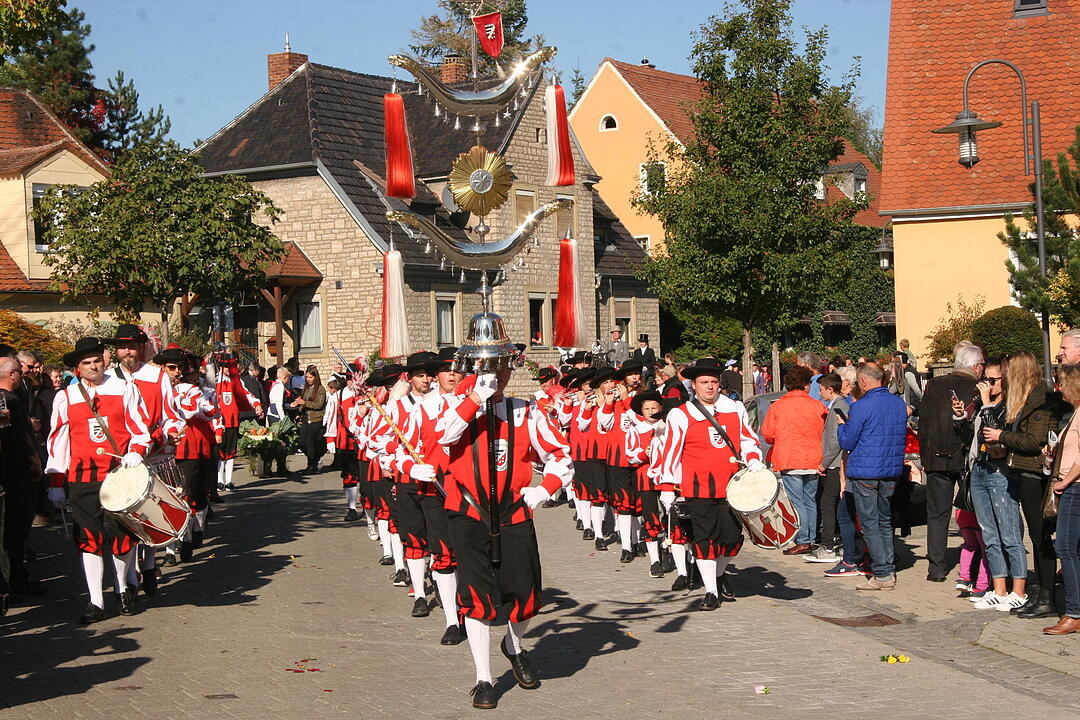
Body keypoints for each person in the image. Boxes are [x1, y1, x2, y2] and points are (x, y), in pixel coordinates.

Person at [435, 334, 573, 710]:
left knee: (524, 593)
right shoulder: (454, 405)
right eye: (486, 366)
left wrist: (544, 489)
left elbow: (561, 455)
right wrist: (475, 399)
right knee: (477, 596)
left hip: (513, 512)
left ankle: (513, 644)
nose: (495, 374)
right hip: (469, 512)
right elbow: (445, 436)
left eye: (501, 366)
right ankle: (483, 677)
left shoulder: (526, 412)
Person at [45, 337, 152, 623]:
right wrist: (56, 483)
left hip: (119, 476)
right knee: (89, 538)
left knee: (122, 536)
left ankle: (122, 589)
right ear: (77, 368)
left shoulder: (124, 388)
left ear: (104, 360)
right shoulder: (65, 397)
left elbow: (141, 429)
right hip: (83, 477)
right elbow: (58, 442)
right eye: (86, 363)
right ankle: (96, 601)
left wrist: (137, 452)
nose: (93, 366)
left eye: (97, 360)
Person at [657, 357, 765, 610]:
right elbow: (671, 452)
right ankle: (711, 592)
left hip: (732, 485)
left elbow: (748, 439)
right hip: (697, 486)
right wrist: (667, 488)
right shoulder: (680, 414)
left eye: (714, 382)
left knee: (730, 539)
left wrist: (752, 458)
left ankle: (718, 574)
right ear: (694, 385)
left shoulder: (734, 408)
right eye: (704, 382)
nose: (709, 387)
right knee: (704, 539)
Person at [391, 348, 466, 645]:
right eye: (446, 370)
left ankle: (472, 603)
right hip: (435, 489)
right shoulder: (421, 410)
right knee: (444, 552)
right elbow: (398, 450)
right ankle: (452, 619)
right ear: (438, 375)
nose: (452, 375)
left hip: (470, 489)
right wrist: (412, 466)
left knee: (471, 551)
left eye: (456, 370)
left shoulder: (475, 404)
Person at [990, 351, 1064, 618]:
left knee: (1040, 536)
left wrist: (1003, 436)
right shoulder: (1026, 399)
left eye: (1008, 370)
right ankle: (1042, 593)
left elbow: (1035, 442)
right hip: (1023, 471)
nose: (1006, 375)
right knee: (1036, 536)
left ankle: (1047, 598)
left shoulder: (1039, 400)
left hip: (1035, 475)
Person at [953, 358, 1028, 611]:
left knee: (1009, 533)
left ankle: (1019, 590)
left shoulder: (1009, 406)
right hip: (979, 470)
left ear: (1005, 381)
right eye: (984, 379)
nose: (987, 385)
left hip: (999, 471)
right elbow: (969, 438)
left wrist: (985, 405)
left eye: (992, 380)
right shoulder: (980, 404)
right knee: (989, 534)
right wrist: (960, 416)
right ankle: (998, 589)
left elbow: (995, 432)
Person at [837, 362, 908, 591]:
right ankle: (888, 567)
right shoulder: (898, 404)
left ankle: (883, 573)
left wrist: (841, 426)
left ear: (864, 381)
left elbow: (848, 441)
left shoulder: (861, 406)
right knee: (884, 520)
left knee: (870, 524)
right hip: (890, 470)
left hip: (866, 471)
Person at [918, 343, 984, 582]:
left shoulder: (935, 385)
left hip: (936, 457)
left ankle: (936, 567)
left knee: (937, 514)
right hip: (965, 458)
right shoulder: (978, 388)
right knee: (973, 511)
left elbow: (923, 423)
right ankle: (977, 563)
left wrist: (925, 455)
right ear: (976, 366)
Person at [760, 366, 827, 556]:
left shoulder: (778, 406)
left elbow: (768, 434)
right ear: (806, 385)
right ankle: (812, 537)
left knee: (797, 501)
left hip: (789, 458)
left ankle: (804, 539)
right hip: (814, 458)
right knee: (810, 500)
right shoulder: (817, 405)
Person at [0, 356, 44, 596]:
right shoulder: (9, 401)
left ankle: (16, 578)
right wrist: (35, 464)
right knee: (17, 531)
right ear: (12, 375)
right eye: (19, 370)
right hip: (19, 476)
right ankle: (16, 581)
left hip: (11, 475)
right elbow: (19, 440)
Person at [1044, 364, 1080, 634]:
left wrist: (1065, 481)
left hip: (1075, 487)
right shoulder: (1075, 414)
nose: (1060, 388)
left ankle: (1074, 612)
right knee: (1072, 549)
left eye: (1063, 383)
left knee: (1066, 548)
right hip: (1072, 485)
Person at [815, 372, 848, 568]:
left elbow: (835, 440)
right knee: (833, 503)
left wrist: (824, 462)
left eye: (821, 390)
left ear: (830, 389)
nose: (819, 394)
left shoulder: (839, 407)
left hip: (836, 463)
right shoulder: (837, 405)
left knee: (828, 503)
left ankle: (828, 545)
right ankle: (837, 541)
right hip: (835, 462)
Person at [293, 365, 327, 474]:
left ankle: (311, 466)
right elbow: (303, 401)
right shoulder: (306, 388)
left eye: (311, 377)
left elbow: (319, 405)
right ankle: (316, 459)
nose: (308, 379)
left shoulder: (320, 389)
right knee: (302, 443)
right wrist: (299, 405)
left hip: (316, 418)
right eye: (307, 377)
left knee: (310, 442)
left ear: (315, 377)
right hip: (306, 418)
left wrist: (305, 403)